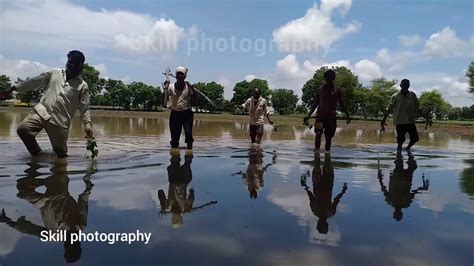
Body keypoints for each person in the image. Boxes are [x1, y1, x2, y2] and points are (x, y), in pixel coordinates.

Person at [0, 50, 92, 158]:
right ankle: (38, 156)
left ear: (81, 66)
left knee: (60, 154)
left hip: (59, 121)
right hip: (41, 112)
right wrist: (13, 88)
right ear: (67, 62)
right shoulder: (54, 73)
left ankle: (58, 168)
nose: (72, 66)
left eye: (75, 65)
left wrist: (87, 125)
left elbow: (84, 108)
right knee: (23, 130)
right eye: (70, 63)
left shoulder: (82, 86)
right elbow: (35, 81)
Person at [0, 159, 95, 263]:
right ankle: (46, 175)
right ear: (78, 245)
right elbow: (83, 204)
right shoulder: (80, 225)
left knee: (21, 190)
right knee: (59, 165)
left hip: (44, 203)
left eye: (69, 248)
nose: (71, 244)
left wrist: (8, 221)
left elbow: (31, 229)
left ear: (65, 247)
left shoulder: (53, 237)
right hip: (60, 192)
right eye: (74, 247)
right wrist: (87, 185)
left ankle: (38, 172)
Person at [158, 153, 217, 228]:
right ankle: (187, 149)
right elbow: (191, 195)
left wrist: (162, 206)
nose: (176, 218)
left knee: (177, 160)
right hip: (182, 180)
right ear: (181, 218)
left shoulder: (168, 207)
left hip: (175, 180)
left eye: (174, 220)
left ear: (172, 219)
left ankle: (181, 149)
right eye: (177, 220)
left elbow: (160, 192)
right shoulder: (185, 208)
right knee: (185, 161)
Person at [304, 69, 351, 153]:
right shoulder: (320, 90)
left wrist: (347, 115)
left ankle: (327, 154)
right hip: (320, 117)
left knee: (328, 137)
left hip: (331, 118)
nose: (329, 80)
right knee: (318, 134)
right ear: (325, 79)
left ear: (333, 79)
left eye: (331, 79)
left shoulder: (337, 90)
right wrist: (308, 115)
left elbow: (341, 103)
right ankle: (316, 155)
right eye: (327, 79)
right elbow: (315, 104)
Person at [301, 153, 347, 234]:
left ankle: (322, 152)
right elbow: (311, 196)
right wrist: (305, 187)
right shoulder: (317, 211)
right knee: (319, 162)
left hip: (325, 182)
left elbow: (311, 196)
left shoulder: (327, 212)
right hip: (321, 182)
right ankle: (321, 151)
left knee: (325, 162)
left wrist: (343, 191)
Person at [378, 154, 429, 221]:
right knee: (405, 164)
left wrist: (380, 178)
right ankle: (408, 153)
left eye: (397, 213)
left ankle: (407, 153)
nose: (398, 212)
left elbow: (383, 188)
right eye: (398, 214)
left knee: (406, 164)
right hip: (402, 178)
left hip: (402, 178)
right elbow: (383, 188)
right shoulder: (393, 201)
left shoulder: (403, 203)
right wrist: (380, 178)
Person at [381, 79, 426, 151]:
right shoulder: (395, 96)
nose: (405, 86)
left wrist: (426, 117)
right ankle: (398, 156)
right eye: (404, 84)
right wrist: (383, 120)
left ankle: (407, 148)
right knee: (400, 140)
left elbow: (418, 107)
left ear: (409, 86)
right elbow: (389, 109)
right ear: (400, 85)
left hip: (410, 121)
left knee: (415, 139)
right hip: (400, 121)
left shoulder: (412, 95)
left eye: (407, 84)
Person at [162, 67, 198, 150]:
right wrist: (165, 89)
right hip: (175, 114)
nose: (180, 75)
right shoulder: (170, 87)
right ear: (176, 75)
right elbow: (164, 103)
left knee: (188, 136)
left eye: (182, 74)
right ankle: (175, 155)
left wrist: (193, 90)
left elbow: (194, 103)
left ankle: (189, 152)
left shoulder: (188, 87)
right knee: (174, 140)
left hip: (187, 114)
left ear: (185, 76)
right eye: (178, 73)